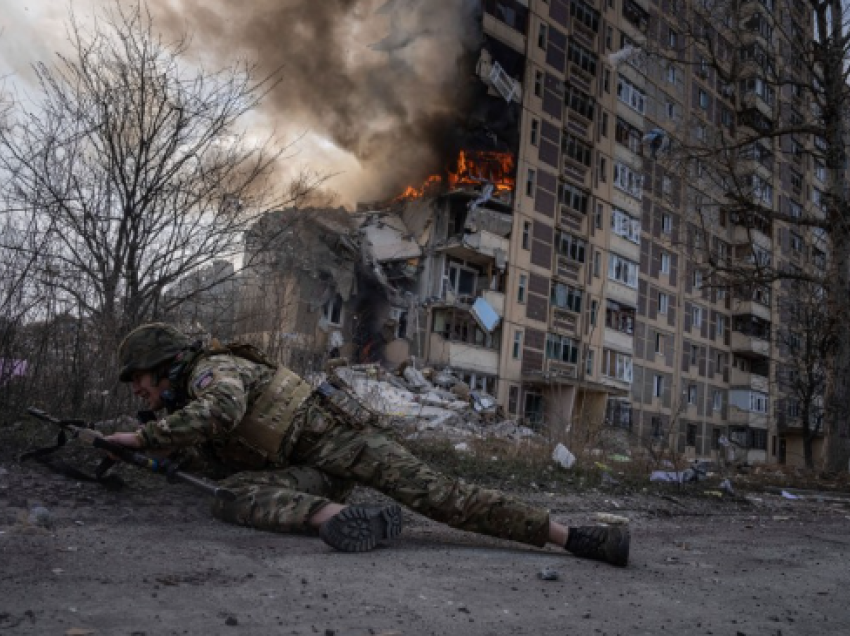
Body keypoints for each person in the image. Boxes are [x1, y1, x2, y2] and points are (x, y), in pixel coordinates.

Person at [104, 323, 629, 565]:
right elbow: (213, 452)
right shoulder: (184, 400)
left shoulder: (210, 372)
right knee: (230, 493)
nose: (138, 390)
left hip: (345, 444)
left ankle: (575, 537)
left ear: (166, 364)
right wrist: (144, 450)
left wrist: (144, 435)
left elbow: (223, 408)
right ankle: (337, 518)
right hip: (313, 474)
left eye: (139, 378)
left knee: (444, 498)